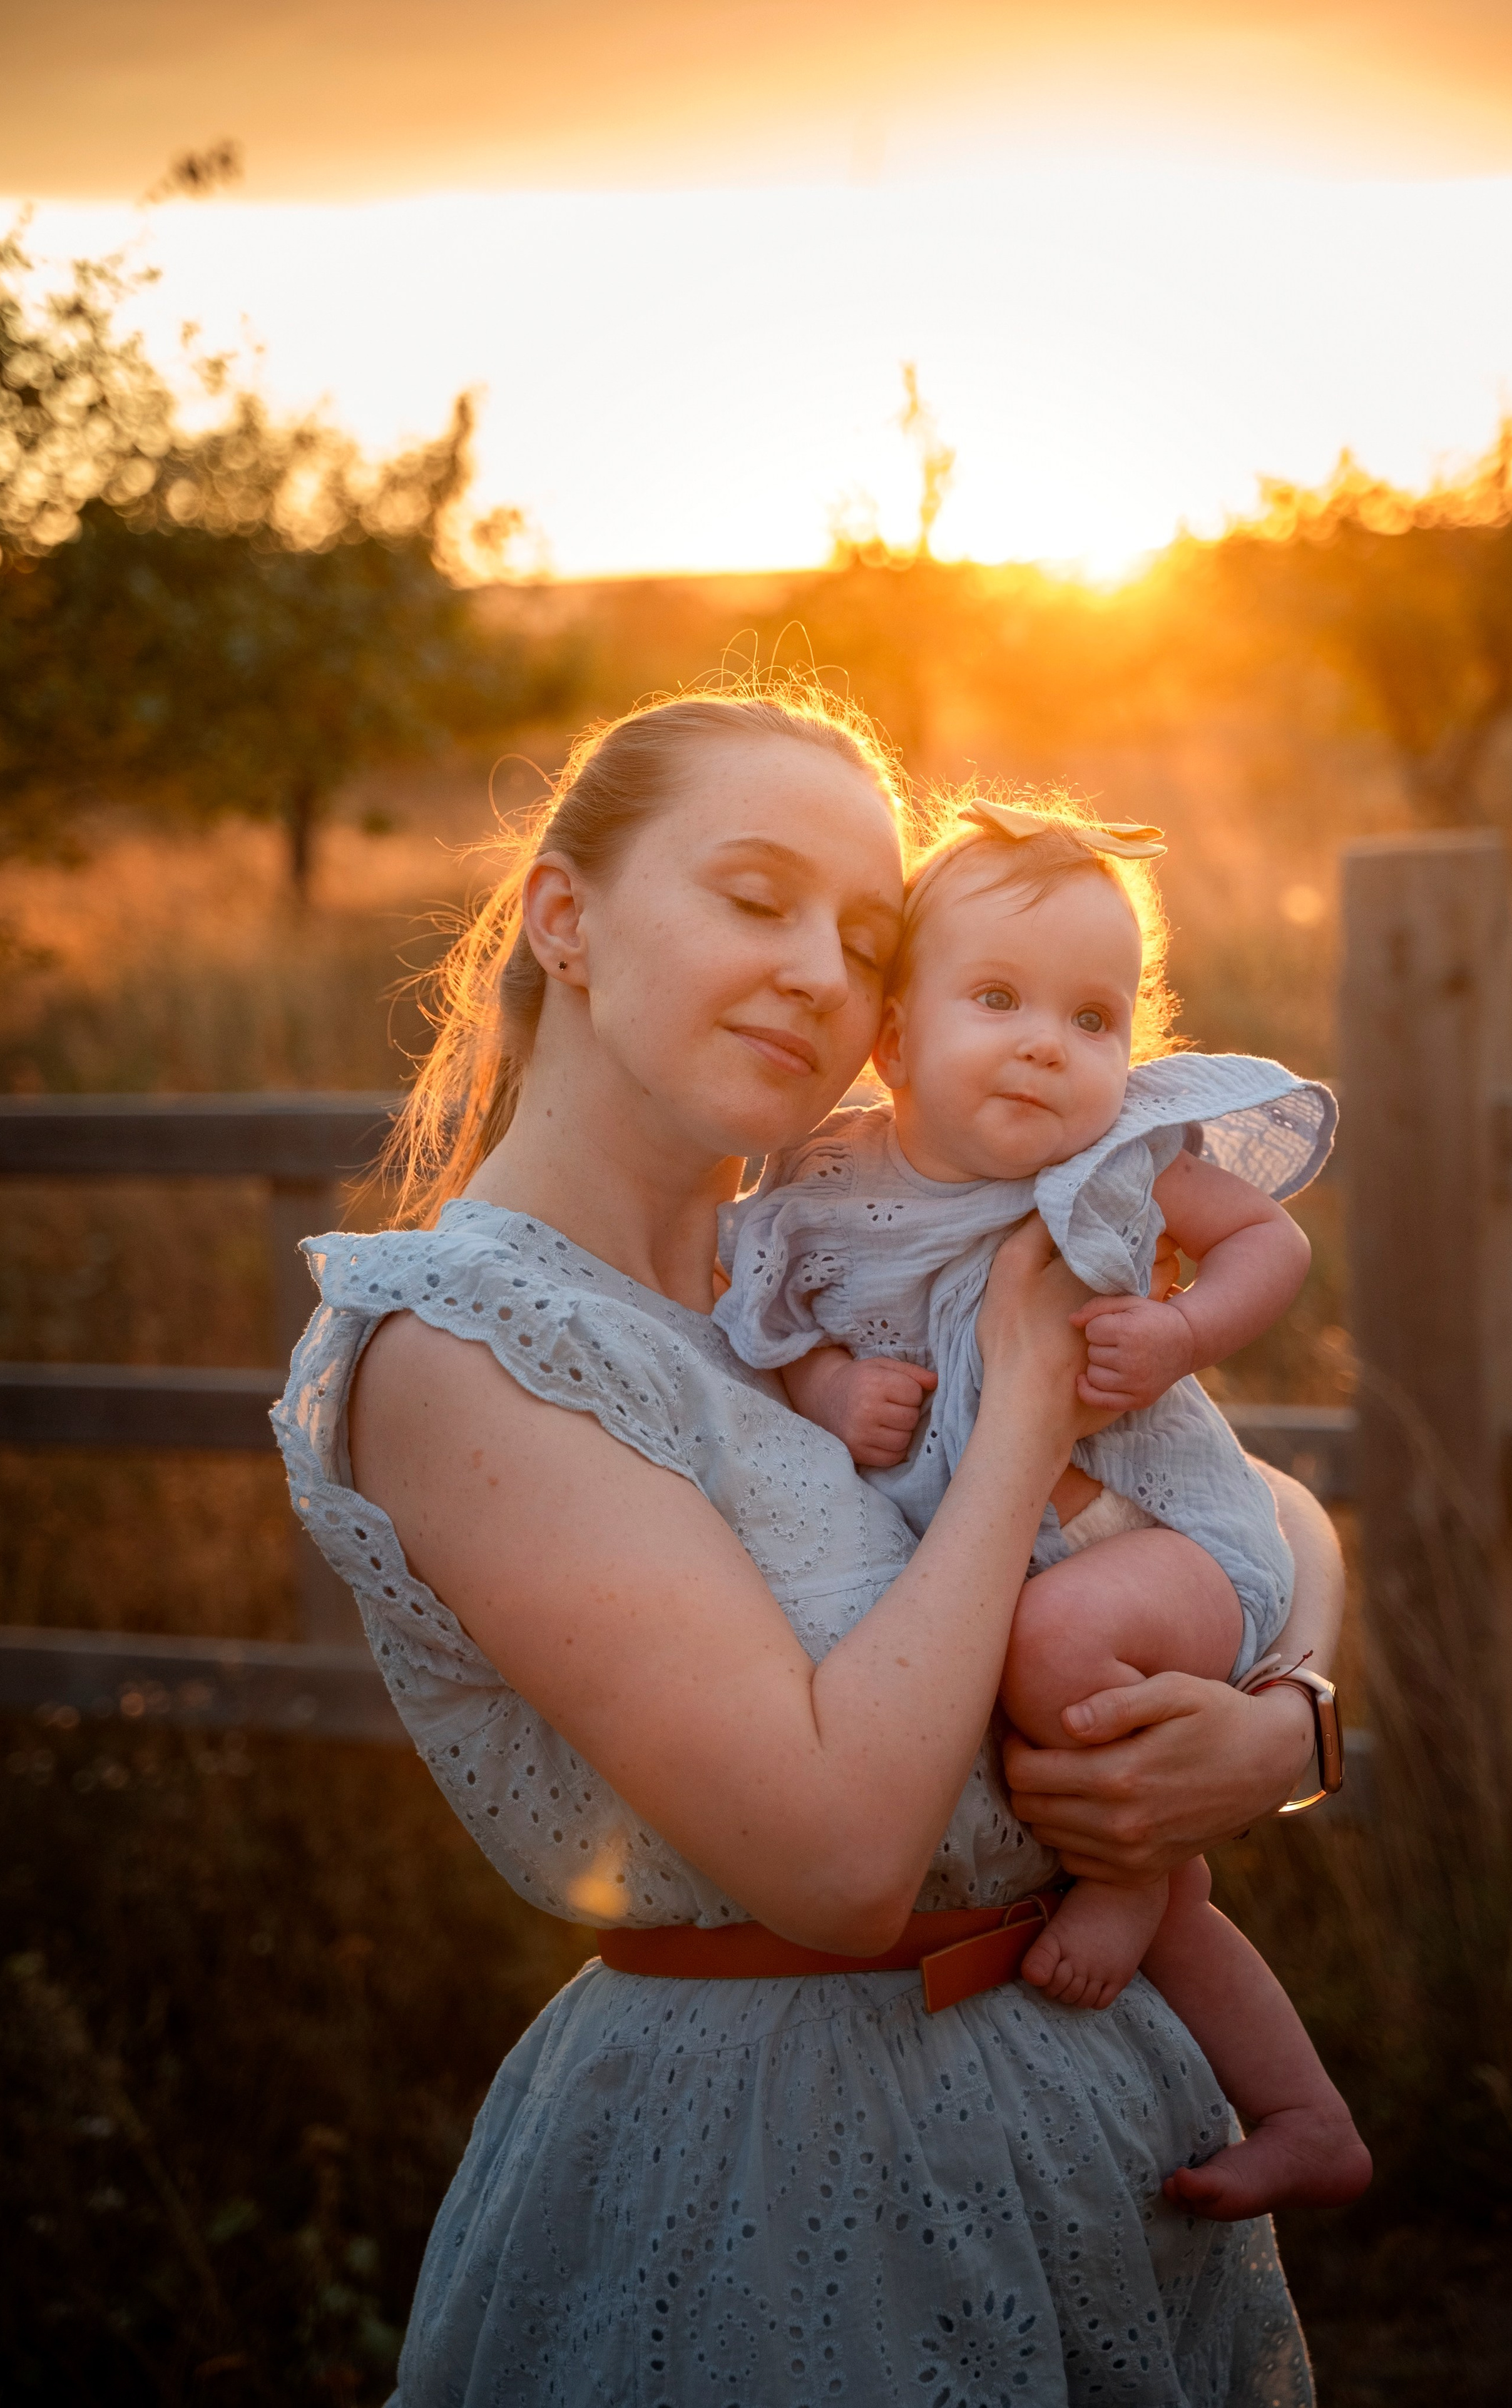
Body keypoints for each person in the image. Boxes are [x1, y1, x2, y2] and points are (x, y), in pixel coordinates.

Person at [273, 687, 1342, 2404]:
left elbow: (1261, 1513)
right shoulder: (471, 1352)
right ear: (567, 919)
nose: (816, 975)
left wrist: (1284, 1729)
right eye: (753, 896)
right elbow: (842, 1860)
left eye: (863, 936)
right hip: (785, 2183)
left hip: (1102, 2133)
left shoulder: (821, 1268)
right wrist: (1022, 1411)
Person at [716, 788, 1371, 2219]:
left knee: (1055, 1654)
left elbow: (1267, 1236)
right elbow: (767, 1339)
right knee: (1071, 1719)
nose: (1045, 1044)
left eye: (1092, 1017)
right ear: (892, 1037)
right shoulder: (822, 1185)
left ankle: (1133, 1885)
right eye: (998, 998)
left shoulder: (1118, 1156)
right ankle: (1303, 2112)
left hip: (1168, 1544)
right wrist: (832, 1389)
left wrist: (1186, 1334)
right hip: (1024, 1574)